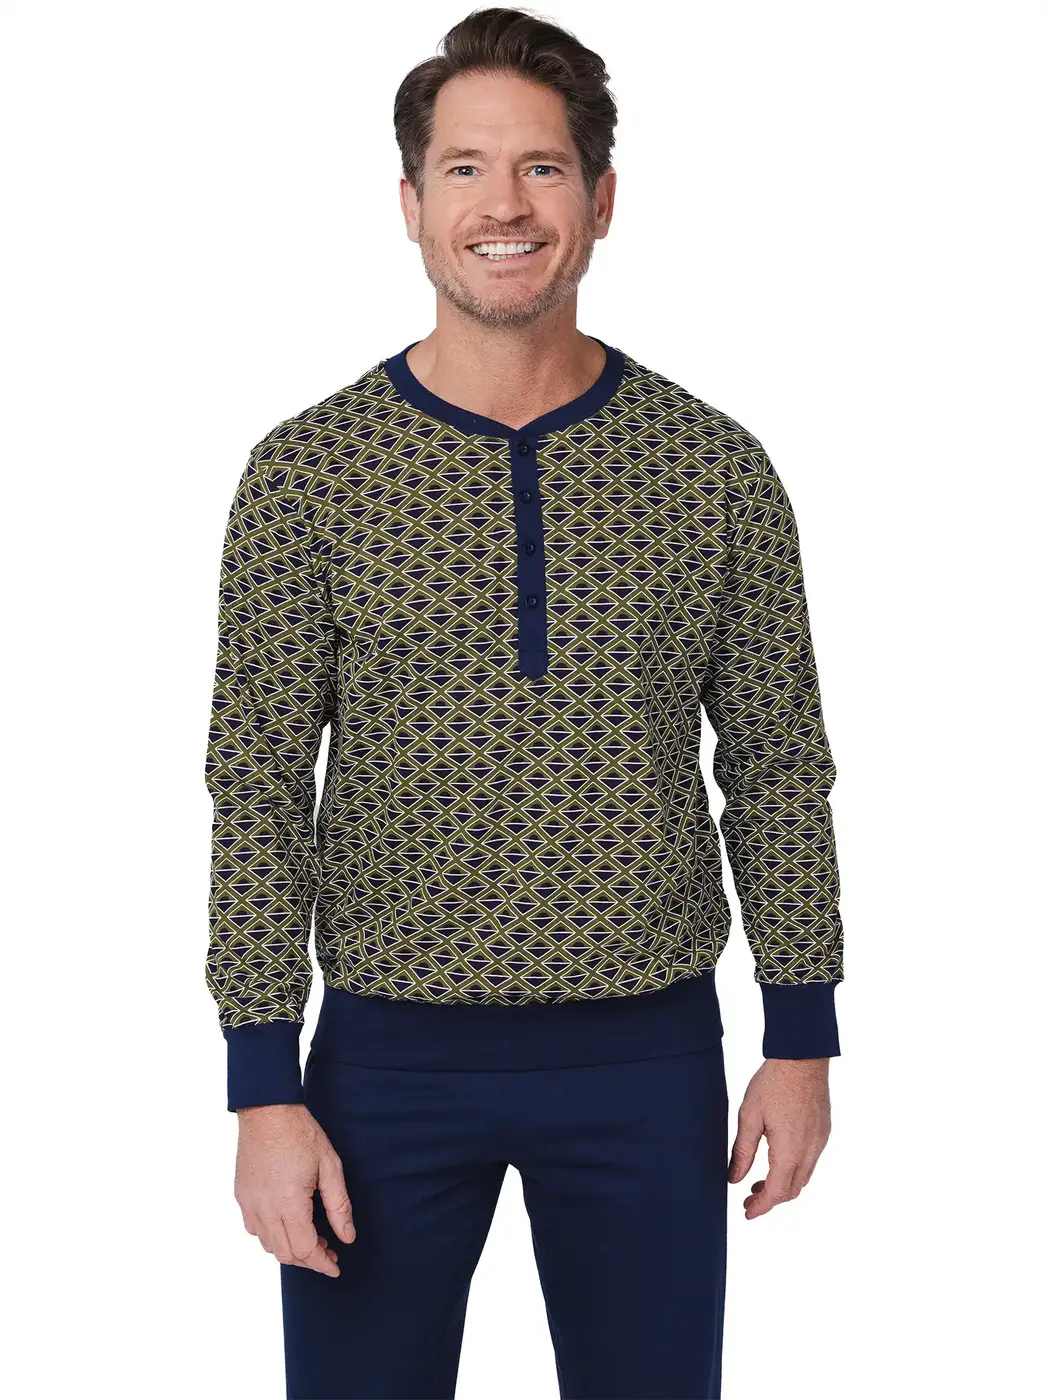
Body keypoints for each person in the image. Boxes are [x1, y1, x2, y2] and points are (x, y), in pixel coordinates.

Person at [204, 8, 844, 1398]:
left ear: (601, 201)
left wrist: (800, 1038)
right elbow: (255, 781)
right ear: (410, 202)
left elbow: (778, 762)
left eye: (542, 168)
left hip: (645, 1055)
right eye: (465, 168)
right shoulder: (307, 473)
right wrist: (261, 1082)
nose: (504, 204)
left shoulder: (712, 468)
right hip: (380, 1065)